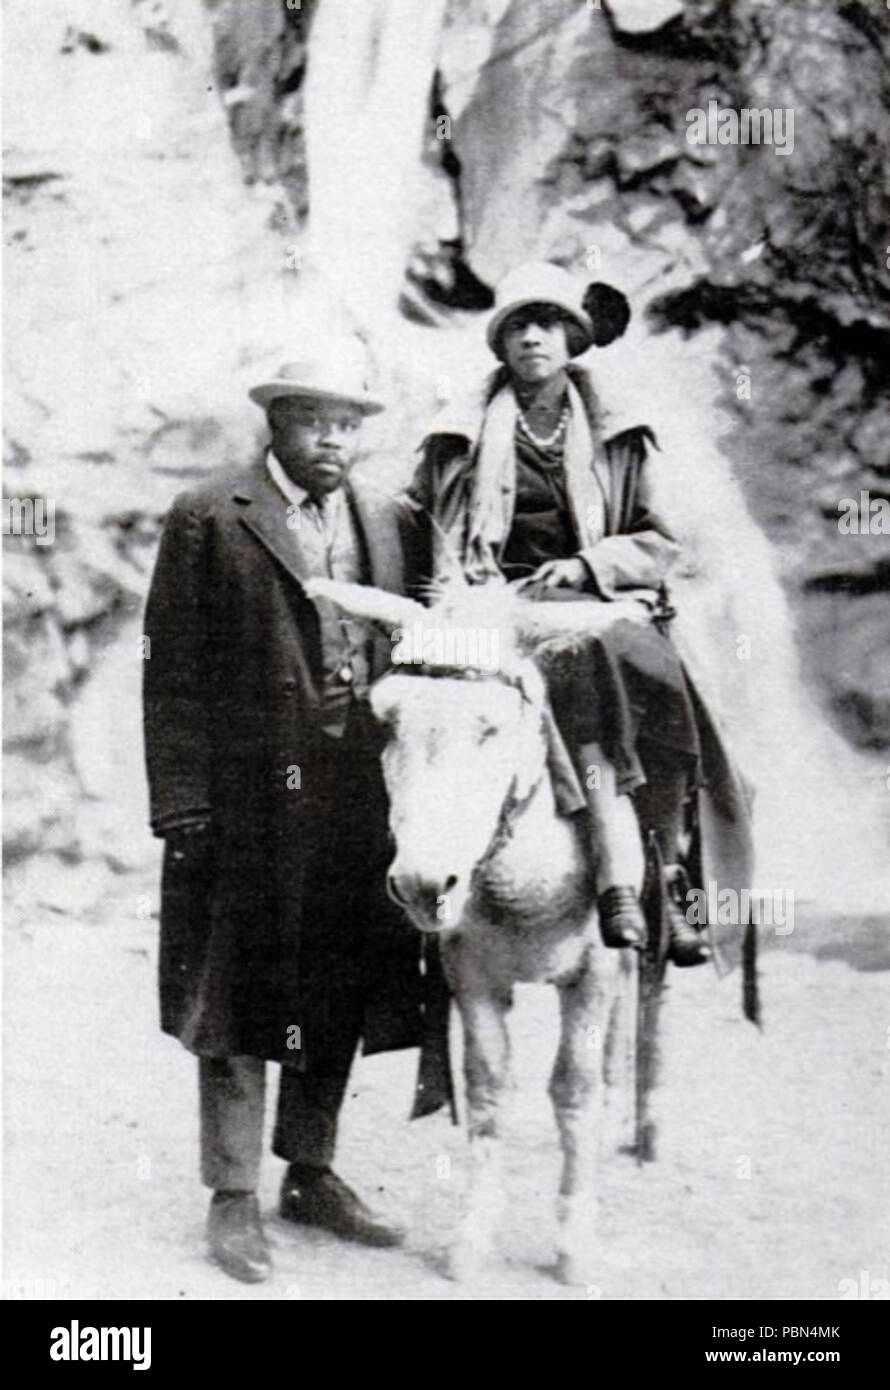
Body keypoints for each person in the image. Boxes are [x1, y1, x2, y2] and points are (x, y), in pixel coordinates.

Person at [143, 339, 448, 1285]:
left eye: (349, 423)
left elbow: (431, 646)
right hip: (243, 802)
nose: (334, 439)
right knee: (236, 989)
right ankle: (232, 1195)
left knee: (339, 977)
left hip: (361, 794)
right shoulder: (208, 515)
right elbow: (171, 673)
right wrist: (183, 802)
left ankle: (309, 1169)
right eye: (316, 419)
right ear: (274, 420)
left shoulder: (394, 521)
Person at [407, 262, 751, 965]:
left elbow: (662, 541)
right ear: (499, 345)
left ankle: (662, 871)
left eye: (548, 324)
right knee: (418, 710)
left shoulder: (620, 432)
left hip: (601, 602)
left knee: (644, 667)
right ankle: (418, 894)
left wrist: (590, 565)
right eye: (517, 326)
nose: (533, 337)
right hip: (490, 608)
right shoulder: (458, 436)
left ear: (572, 339)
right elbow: (423, 530)